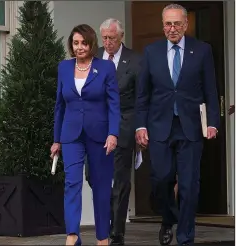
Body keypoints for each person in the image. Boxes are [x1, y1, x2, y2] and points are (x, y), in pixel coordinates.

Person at [135, 3, 220, 246]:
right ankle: (168, 217)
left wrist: (213, 122)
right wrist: (141, 125)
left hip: (190, 127)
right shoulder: (151, 52)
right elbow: (143, 94)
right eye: (167, 24)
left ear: (186, 24)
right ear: (163, 26)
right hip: (160, 126)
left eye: (176, 24)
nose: (172, 28)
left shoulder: (201, 50)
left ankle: (185, 237)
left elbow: (211, 90)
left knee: (189, 185)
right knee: (161, 179)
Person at [50, 24, 120, 246]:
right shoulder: (63, 67)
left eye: (84, 43)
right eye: (75, 43)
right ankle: (72, 234)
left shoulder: (106, 68)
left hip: (100, 135)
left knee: (100, 185)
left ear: (91, 44)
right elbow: (59, 106)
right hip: (71, 134)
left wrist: (113, 133)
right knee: (72, 183)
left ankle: (102, 237)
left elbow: (114, 104)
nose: (79, 47)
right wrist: (56, 140)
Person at [84, 18, 141, 245]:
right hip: (95, 128)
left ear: (121, 37)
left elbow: (140, 98)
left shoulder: (136, 60)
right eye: (105, 38)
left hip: (123, 127)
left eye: (112, 38)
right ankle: (109, 218)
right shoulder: (93, 57)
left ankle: (116, 233)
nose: (107, 42)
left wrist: (139, 127)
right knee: (93, 176)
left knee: (120, 181)